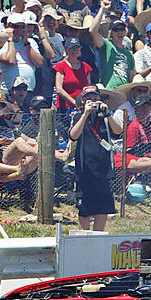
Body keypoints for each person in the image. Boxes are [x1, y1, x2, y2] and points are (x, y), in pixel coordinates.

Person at [69, 85, 122, 231]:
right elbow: (73, 136)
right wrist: (85, 114)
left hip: (104, 169)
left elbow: (118, 131)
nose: (92, 101)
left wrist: (108, 114)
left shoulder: (105, 117)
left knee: (102, 209)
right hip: (85, 170)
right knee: (85, 210)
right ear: (83, 100)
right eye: (88, 98)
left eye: (95, 98)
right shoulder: (78, 116)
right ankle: (83, 240)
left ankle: (98, 237)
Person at [53, 36, 92, 111]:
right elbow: (59, 89)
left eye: (77, 48)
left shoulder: (86, 67)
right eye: (72, 48)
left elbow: (88, 87)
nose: (75, 51)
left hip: (83, 107)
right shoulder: (61, 66)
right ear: (66, 50)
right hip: (65, 108)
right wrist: (74, 102)